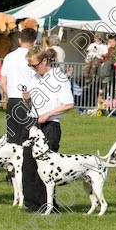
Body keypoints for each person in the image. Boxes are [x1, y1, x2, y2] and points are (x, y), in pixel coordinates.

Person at [21, 47, 74, 212]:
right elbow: (31, 105)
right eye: (30, 66)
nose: (32, 69)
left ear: (44, 61)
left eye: (34, 65)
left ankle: (48, 205)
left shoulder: (59, 77)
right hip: (33, 123)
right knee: (29, 164)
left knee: (45, 167)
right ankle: (32, 204)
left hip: (50, 125)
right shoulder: (34, 77)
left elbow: (69, 104)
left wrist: (49, 114)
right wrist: (27, 100)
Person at [0, 28, 37, 145]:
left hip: (12, 100)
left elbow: (2, 82)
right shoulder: (34, 58)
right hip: (29, 101)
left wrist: (10, 94)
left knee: (13, 139)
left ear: (20, 40)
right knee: (29, 139)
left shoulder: (9, 57)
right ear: (34, 42)